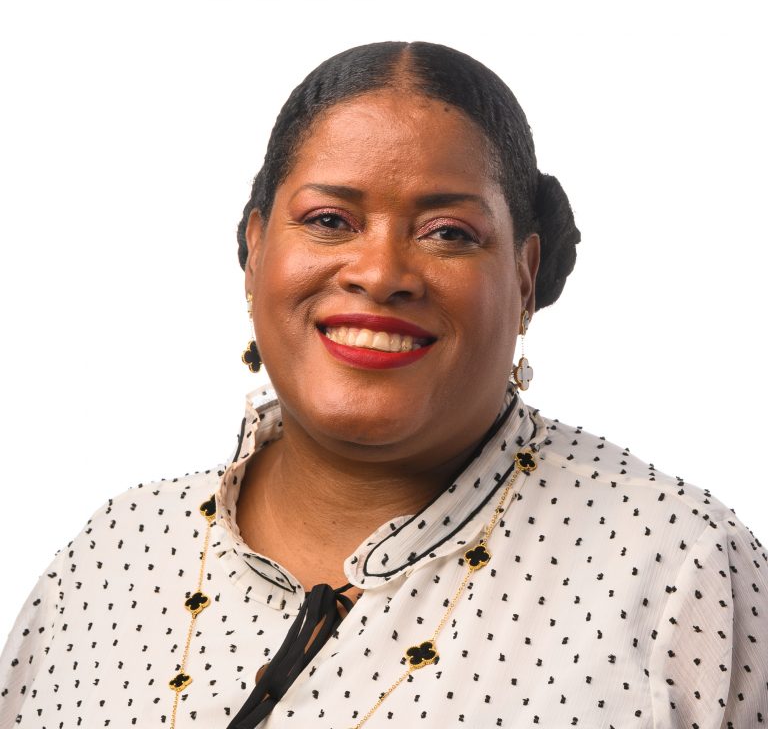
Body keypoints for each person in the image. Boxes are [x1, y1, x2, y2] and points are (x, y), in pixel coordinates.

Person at [1, 41, 765, 729]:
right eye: (330, 220)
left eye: (448, 234)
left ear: (526, 277)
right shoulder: (115, 551)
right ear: (255, 250)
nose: (380, 273)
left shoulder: (678, 569)